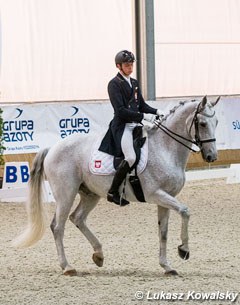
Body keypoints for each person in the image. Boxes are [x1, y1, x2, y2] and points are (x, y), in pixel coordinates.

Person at [99, 50, 162, 206]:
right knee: (131, 157)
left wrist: (156, 111)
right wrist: (143, 117)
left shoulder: (133, 82)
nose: (130, 67)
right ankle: (113, 192)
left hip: (135, 125)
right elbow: (120, 110)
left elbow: (141, 105)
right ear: (119, 66)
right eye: (127, 64)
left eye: (132, 64)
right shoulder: (114, 84)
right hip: (122, 126)